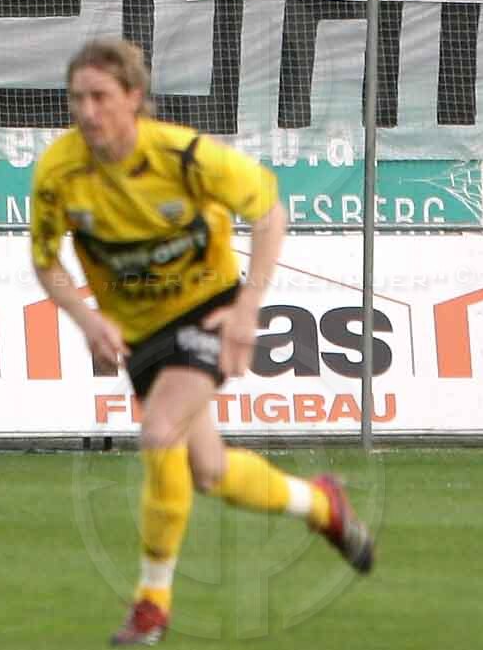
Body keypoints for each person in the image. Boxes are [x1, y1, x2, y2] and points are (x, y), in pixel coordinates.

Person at [28, 36, 373, 648]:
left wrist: (246, 309)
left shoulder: (183, 156)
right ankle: (323, 506)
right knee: (208, 472)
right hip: (137, 336)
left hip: (207, 311)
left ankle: (151, 605)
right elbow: (47, 261)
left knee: (160, 433)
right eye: (77, 98)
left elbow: (268, 210)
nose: (87, 111)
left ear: (135, 98)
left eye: (101, 97)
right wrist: (86, 319)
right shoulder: (59, 172)